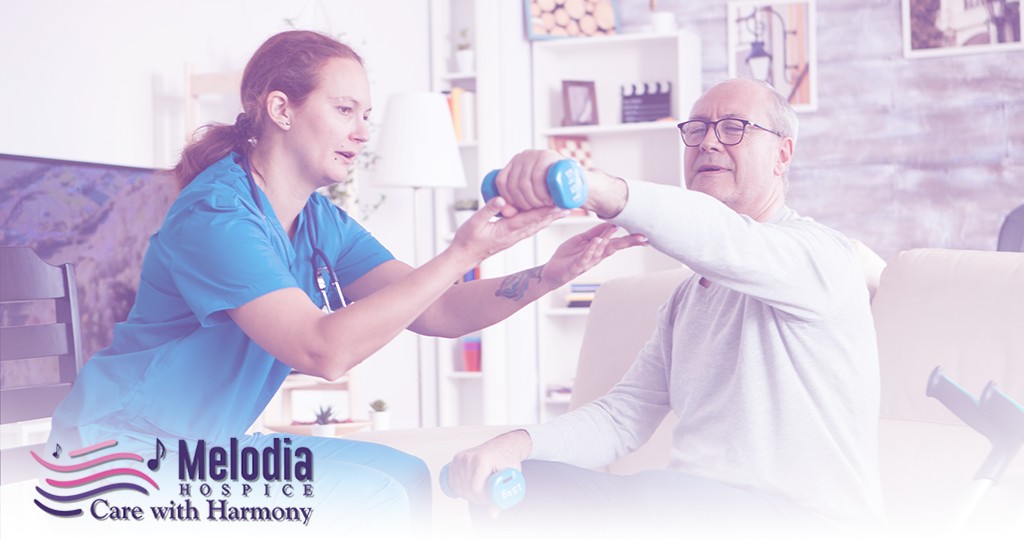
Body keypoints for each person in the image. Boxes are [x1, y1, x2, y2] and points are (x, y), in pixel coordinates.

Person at [44, 30, 645, 534]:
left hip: (204, 450)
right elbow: (321, 349)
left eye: (366, 115)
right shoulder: (217, 217)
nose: (362, 132)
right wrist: (462, 248)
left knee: (405, 475)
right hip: (117, 454)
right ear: (281, 110)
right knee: (372, 502)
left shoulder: (318, 219)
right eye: (344, 110)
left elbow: (435, 311)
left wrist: (547, 273)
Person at [446, 78, 885, 538]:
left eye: (734, 127)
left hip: (807, 521)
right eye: (696, 129)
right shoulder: (688, 296)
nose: (709, 141)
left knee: (656, 497)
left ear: (783, 154)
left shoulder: (823, 257)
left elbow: (724, 240)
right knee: (516, 489)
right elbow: (623, 416)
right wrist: (516, 446)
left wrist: (591, 188)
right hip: (695, 509)